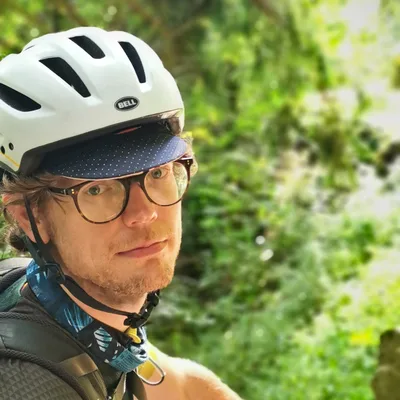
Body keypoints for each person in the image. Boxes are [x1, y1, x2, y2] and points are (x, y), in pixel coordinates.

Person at [0, 26, 241, 400]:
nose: (144, 213)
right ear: (31, 217)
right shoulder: (24, 383)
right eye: (97, 189)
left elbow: (177, 383)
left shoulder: (42, 298)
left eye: (157, 173)